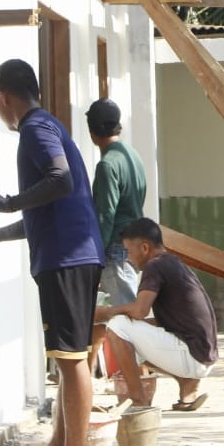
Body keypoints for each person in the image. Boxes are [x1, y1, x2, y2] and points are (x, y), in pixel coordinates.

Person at [0, 59, 104, 446]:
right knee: (68, 358)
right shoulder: (47, 125)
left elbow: (59, 179)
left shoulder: (35, 129)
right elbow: (44, 209)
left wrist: (7, 202)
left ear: (2, 97)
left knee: (72, 359)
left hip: (67, 259)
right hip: (72, 254)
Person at [95, 218, 217, 411]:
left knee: (117, 326)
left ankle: (138, 401)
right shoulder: (173, 262)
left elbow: (140, 310)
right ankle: (186, 382)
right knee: (130, 329)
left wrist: (104, 313)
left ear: (145, 248)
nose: (129, 258)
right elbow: (159, 320)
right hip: (202, 357)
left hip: (192, 356)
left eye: (129, 252)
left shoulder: (155, 265)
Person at [86, 98, 145, 308]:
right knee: (126, 313)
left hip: (115, 250)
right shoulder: (133, 156)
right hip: (133, 246)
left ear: (92, 133)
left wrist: (95, 258)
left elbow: (105, 215)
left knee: (124, 315)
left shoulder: (107, 165)